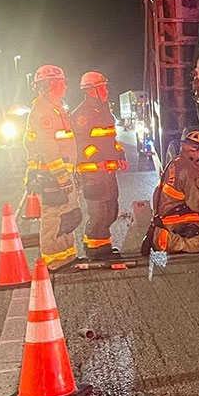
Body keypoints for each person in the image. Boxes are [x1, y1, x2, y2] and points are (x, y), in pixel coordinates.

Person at [23, 64, 82, 270]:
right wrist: (62, 177)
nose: (65, 85)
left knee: (66, 214)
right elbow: (48, 148)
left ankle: (67, 255)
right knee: (53, 217)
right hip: (51, 175)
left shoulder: (56, 108)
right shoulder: (43, 111)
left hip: (61, 174)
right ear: (51, 85)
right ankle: (54, 260)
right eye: (62, 82)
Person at [71, 71, 127, 260]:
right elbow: (81, 145)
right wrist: (97, 159)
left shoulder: (103, 111)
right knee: (100, 212)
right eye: (102, 86)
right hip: (94, 173)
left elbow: (112, 140)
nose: (106, 89)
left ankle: (98, 246)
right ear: (91, 90)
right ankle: (96, 251)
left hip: (108, 172)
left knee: (111, 210)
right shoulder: (82, 114)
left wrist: (121, 155)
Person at [144, 129, 199, 255]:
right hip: (173, 219)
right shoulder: (189, 171)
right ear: (192, 150)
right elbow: (195, 203)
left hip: (169, 214)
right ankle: (162, 239)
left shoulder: (177, 162)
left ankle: (163, 234)